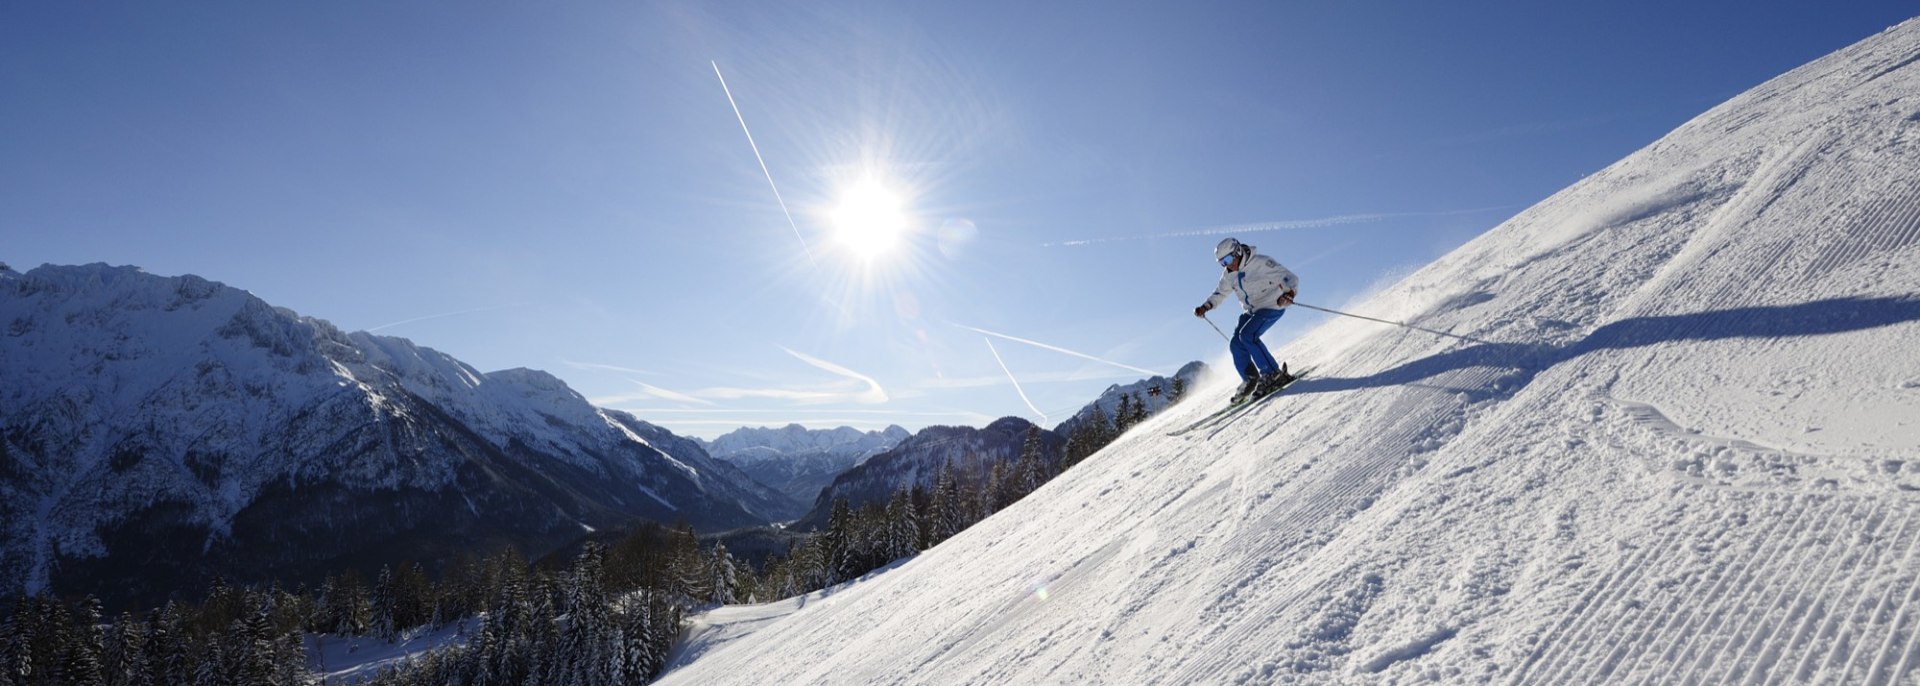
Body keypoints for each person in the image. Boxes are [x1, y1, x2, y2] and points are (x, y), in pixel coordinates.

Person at [1194, 237, 1299, 403]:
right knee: (1236, 344)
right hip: (1251, 311)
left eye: (1227, 260)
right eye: (1222, 263)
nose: (1226, 265)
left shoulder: (1261, 263)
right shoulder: (1229, 275)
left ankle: (1273, 373)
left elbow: (1289, 277)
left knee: (1247, 335)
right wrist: (1206, 306)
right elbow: (1220, 293)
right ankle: (1250, 379)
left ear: (1237, 252)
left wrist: (1290, 293)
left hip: (1272, 305)